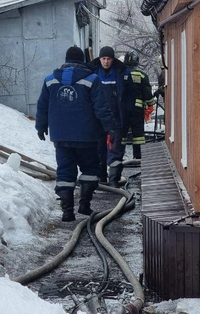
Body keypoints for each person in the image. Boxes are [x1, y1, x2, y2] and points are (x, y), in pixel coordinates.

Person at [36, 46, 117, 222]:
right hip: (87, 136)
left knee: (65, 170)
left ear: (65, 60)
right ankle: (84, 205)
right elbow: (101, 107)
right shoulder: (92, 79)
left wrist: (41, 127)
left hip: (61, 136)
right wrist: (110, 127)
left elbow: (42, 106)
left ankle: (67, 212)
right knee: (90, 169)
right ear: (82, 61)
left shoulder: (50, 80)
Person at [91, 46, 131, 187]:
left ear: (113, 59)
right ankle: (101, 178)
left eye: (108, 59)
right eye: (104, 59)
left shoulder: (122, 72)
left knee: (115, 151)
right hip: (98, 120)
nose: (106, 62)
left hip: (117, 120)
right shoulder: (92, 72)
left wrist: (126, 117)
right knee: (99, 150)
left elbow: (130, 96)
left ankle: (114, 180)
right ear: (100, 59)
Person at [122, 51, 156, 160]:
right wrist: (151, 104)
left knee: (122, 134)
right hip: (137, 110)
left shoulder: (119, 74)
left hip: (122, 109)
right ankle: (138, 157)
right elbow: (147, 94)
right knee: (138, 135)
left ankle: (118, 158)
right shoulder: (142, 75)